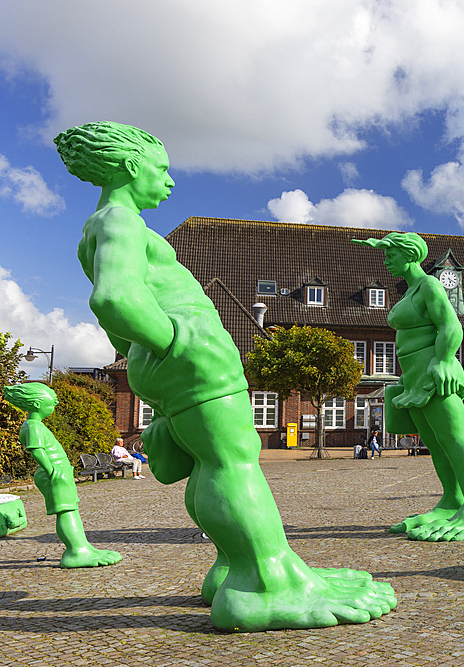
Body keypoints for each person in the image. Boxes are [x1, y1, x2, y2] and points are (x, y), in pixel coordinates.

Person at [55, 122, 395, 632]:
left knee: (211, 464)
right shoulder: (120, 221)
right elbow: (115, 299)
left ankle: (235, 565)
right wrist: (181, 342)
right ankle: (265, 583)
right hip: (190, 356)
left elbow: (113, 317)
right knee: (234, 464)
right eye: (160, 169)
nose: (168, 182)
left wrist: (144, 356)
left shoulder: (95, 228)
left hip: (165, 361)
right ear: (129, 167)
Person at [353, 232, 464, 542]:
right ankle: (452, 501)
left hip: (435, 374)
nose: (386, 260)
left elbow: (451, 325)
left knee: (456, 438)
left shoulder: (429, 285)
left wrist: (442, 360)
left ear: (409, 254)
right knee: (437, 444)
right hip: (414, 379)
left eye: (391, 254)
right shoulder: (411, 291)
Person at [3, 383, 121, 568]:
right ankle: (76, 552)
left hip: (59, 470)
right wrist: (52, 471)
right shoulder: (33, 426)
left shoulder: (35, 425)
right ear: (35, 404)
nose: (53, 408)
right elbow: (36, 451)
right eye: (50, 405)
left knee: (71, 510)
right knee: (66, 512)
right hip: (55, 471)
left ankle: (83, 547)